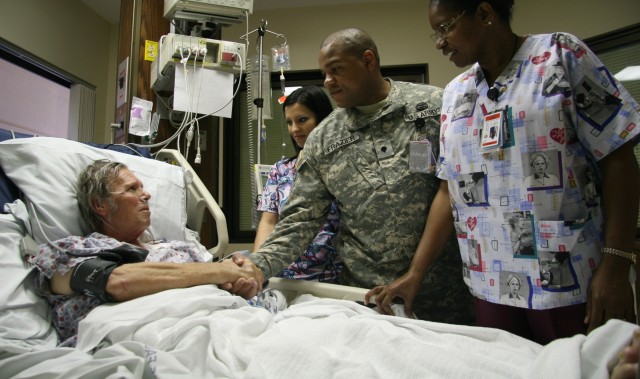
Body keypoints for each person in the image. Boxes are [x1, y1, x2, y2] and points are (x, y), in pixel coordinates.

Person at [416, 0, 640, 344]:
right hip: (489, 283)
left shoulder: (560, 56)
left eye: (445, 28)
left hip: (572, 279)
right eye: (435, 33)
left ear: (485, 13)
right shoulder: (455, 94)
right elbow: (447, 189)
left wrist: (616, 265)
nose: (439, 42)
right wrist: (415, 274)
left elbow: (617, 156)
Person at [239, 28, 475, 324]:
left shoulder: (432, 107)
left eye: (335, 70)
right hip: (368, 296)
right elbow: (299, 220)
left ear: (367, 60)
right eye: (324, 73)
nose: (328, 81)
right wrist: (256, 265)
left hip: (446, 288)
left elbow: (460, 187)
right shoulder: (324, 140)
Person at [34, 159, 264, 347]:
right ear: (100, 205)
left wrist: (239, 285)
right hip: (154, 339)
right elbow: (117, 282)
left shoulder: (178, 248)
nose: (146, 195)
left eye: (142, 187)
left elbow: (216, 287)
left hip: (226, 324)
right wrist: (220, 270)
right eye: (132, 189)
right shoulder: (71, 251)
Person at [254, 86, 342, 282]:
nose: (294, 129)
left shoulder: (343, 168)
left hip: (331, 278)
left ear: (323, 119)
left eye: (302, 120)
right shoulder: (281, 170)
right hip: (283, 275)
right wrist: (256, 268)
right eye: (289, 122)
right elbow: (268, 222)